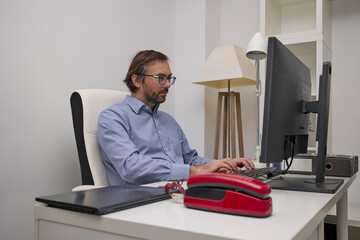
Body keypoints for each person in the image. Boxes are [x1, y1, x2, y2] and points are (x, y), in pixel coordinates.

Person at [97, 50, 254, 185]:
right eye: (161, 78)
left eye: (169, 78)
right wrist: (195, 171)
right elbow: (130, 167)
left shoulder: (168, 121)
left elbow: (190, 160)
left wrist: (221, 164)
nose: (167, 85)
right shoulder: (112, 118)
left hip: (178, 192)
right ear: (137, 80)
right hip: (140, 200)